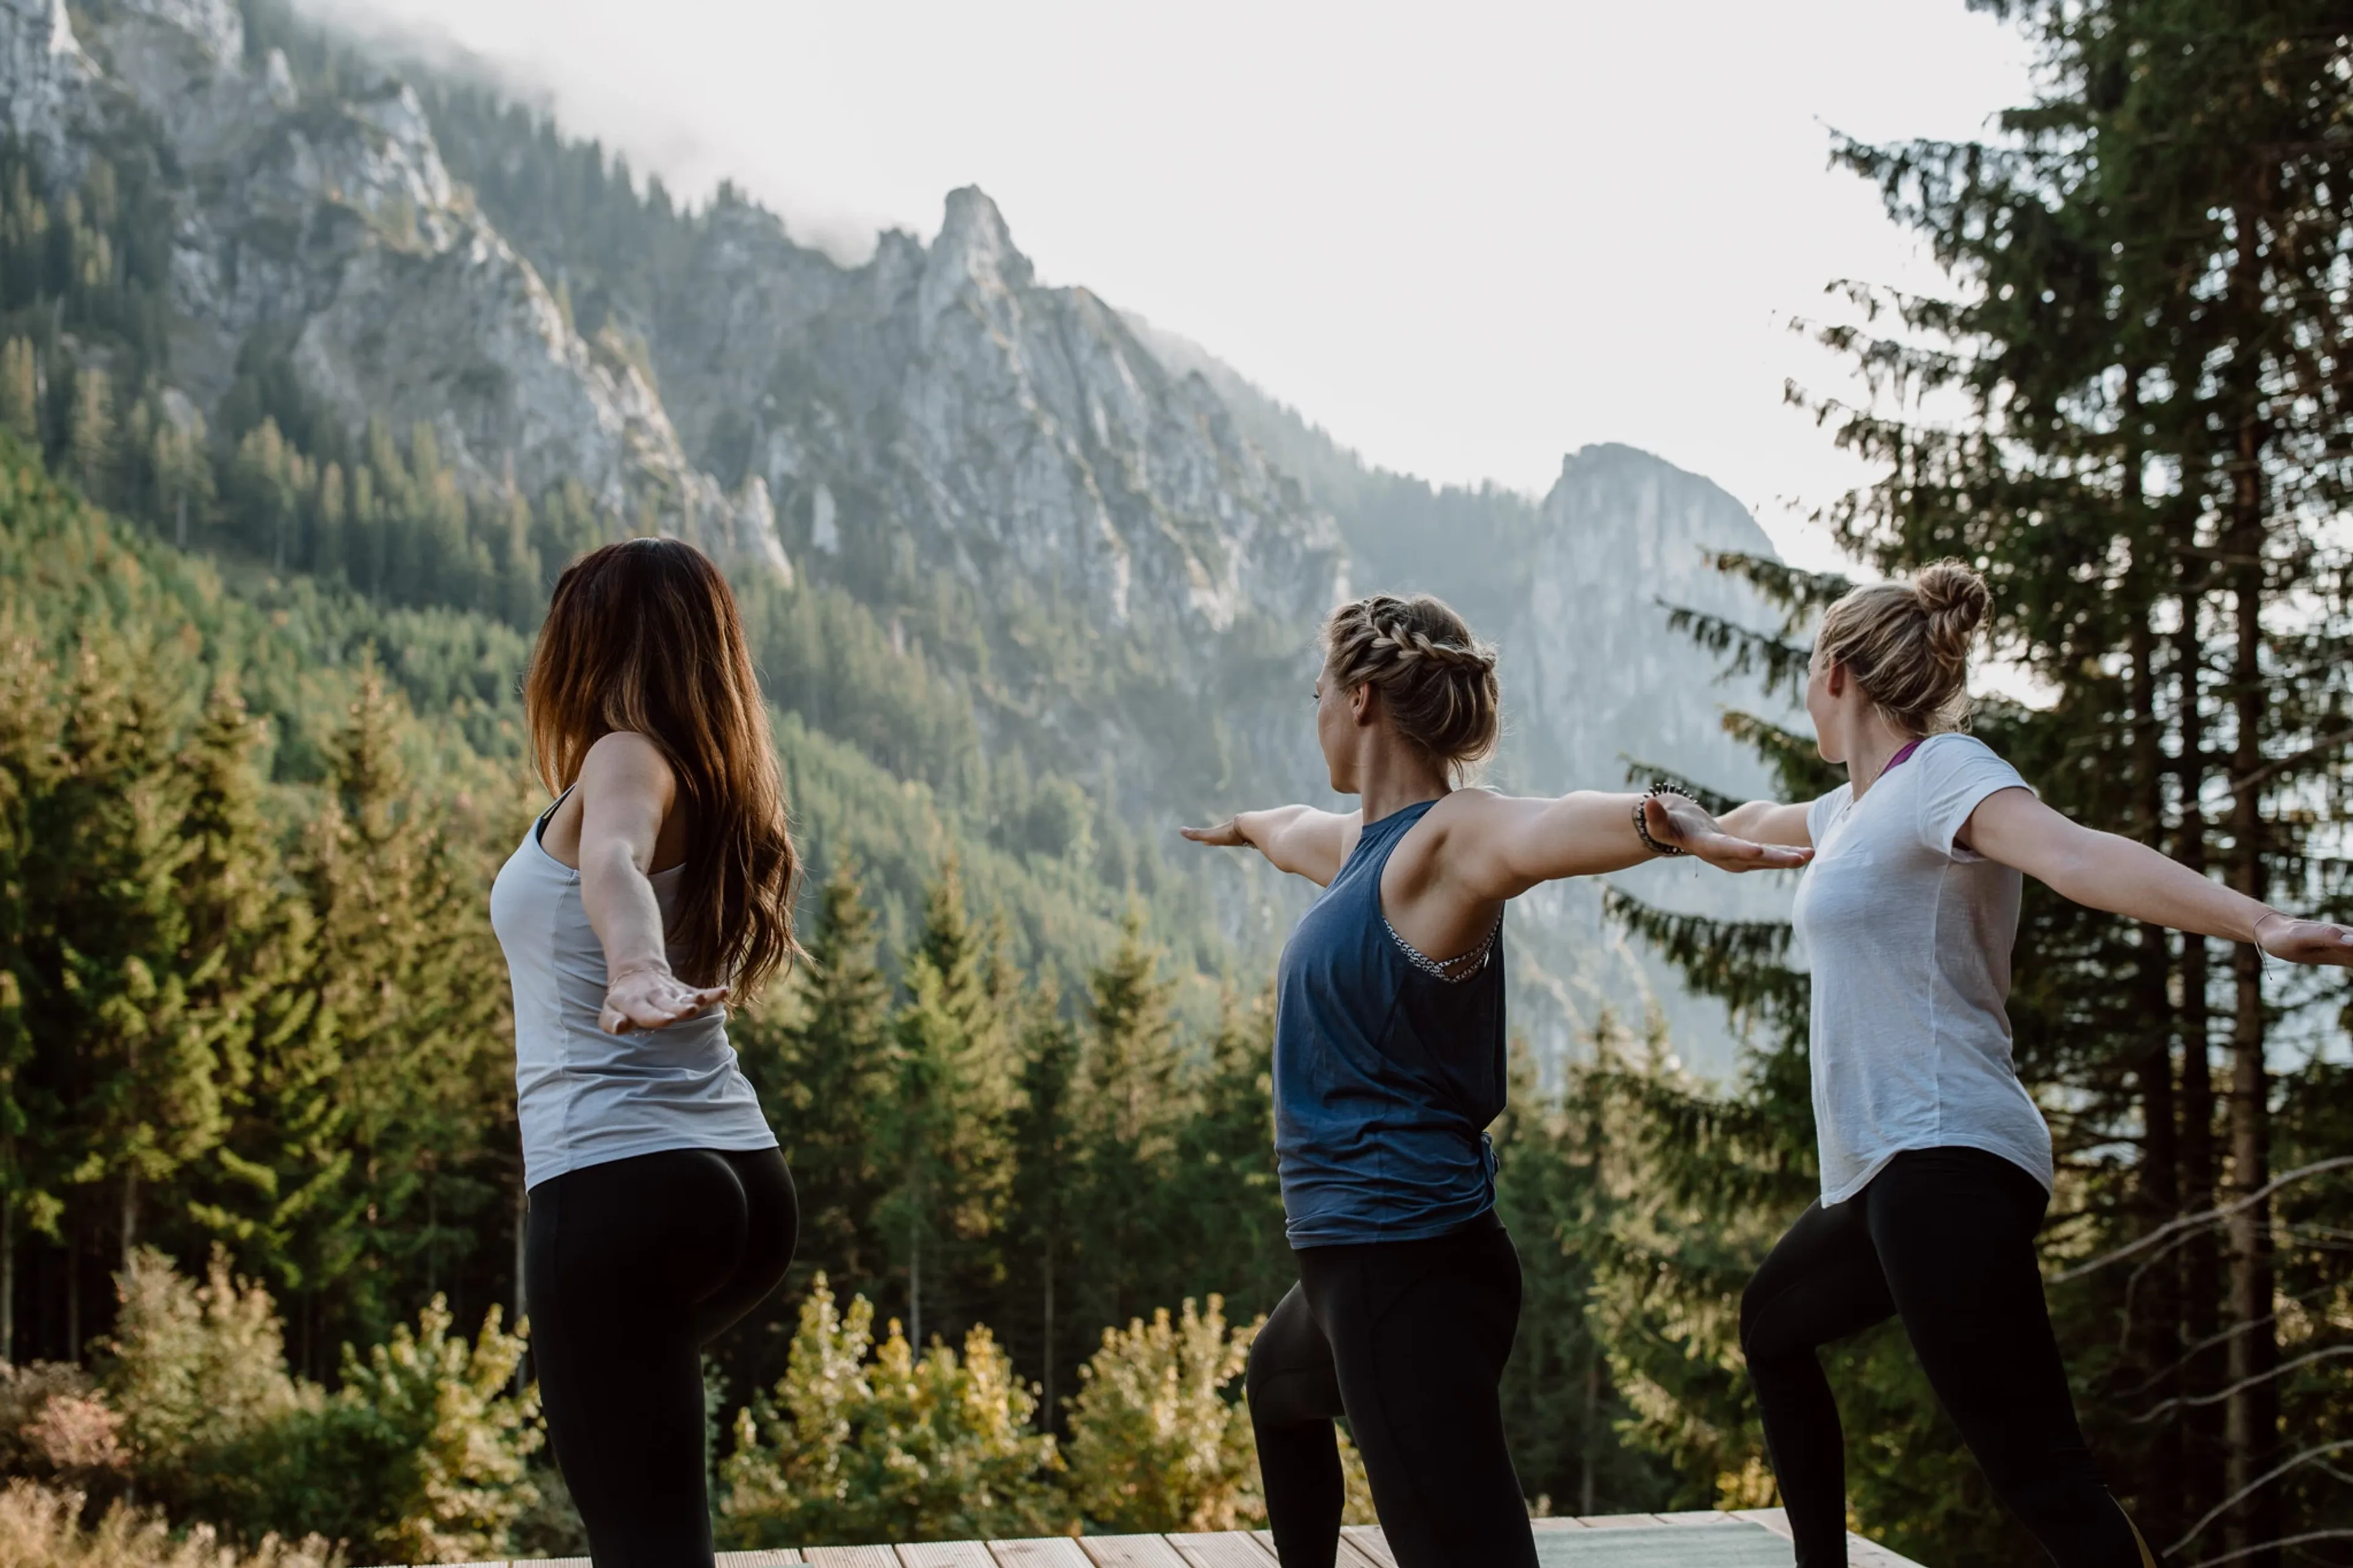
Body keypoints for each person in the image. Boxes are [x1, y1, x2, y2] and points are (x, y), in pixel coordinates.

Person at [1710, 561, 2353, 1568]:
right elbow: (1754, 825)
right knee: (1774, 1326)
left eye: (1806, 670)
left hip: (1946, 1158)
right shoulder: (1851, 813)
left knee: (2039, 1471)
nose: (1803, 690)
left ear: (1836, 673)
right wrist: (1678, 829)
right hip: (1888, 1171)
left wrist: (2258, 920)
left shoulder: (1946, 773)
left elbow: (2078, 854)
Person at [1182, 592, 1807, 1568]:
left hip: (1406, 1260)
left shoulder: (1450, 839)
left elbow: (1554, 824)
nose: (1311, 713)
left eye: (1316, 693)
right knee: (1280, 1387)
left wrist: (1670, 821)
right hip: (1361, 1262)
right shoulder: (1357, 852)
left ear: (1357, 700)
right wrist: (1234, 826)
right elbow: (1288, 824)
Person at [490, 538, 803, 1567]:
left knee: (641, 1544)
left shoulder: (624, 756)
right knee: (662, 1528)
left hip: (618, 1183)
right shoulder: (717, 778)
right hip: (741, 1184)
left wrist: (633, 967)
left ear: (591, 642)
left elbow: (613, 860)